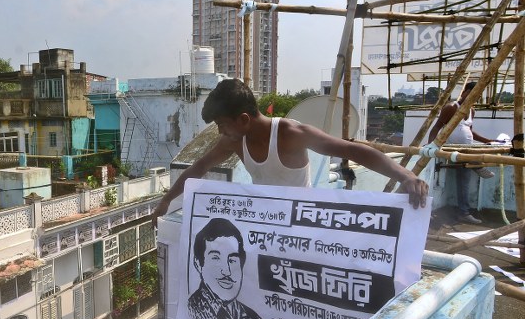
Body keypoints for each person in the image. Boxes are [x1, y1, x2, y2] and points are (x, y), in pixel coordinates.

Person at [151, 79, 429, 225]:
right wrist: (167, 200)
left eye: (223, 125)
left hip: (301, 222)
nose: (222, 132)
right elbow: (198, 169)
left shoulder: (290, 135)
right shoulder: (234, 141)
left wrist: (405, 175)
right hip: (265, 222)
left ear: (244, 119)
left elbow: (353, 150)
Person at [188, 218, 265, 319]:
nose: (227, 271)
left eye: (232, 260)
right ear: (198, 264)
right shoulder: (191, 310)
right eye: (216, 258)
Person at [427, 82, 493, 224]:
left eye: (478, 95)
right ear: (466, 92)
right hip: (452, 148)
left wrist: (486, 140)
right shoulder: (451, 107)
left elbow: (469, 131)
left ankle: (475, 165)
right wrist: (430, 146)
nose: (475, 97)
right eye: (473, 93)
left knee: (464, 180)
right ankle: (477, 166)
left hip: (466, 148)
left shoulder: (471, 111)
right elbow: (437, 127)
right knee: (464, 176)